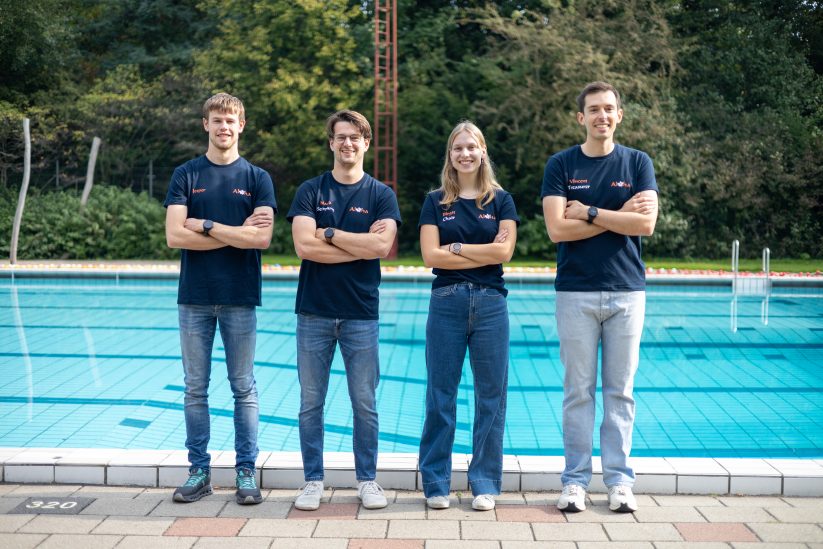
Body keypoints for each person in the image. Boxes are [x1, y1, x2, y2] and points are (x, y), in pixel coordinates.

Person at [541, 81, 658, 513]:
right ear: (581, 117)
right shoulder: (561, 164)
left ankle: (619, 482)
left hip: (627, 292)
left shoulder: (638, 162)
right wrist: (619, 216)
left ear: (619, 115)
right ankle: (574, 482)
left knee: (620, 392)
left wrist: (590, 212)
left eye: (609, 108)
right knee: (578, 392)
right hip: (575, 292)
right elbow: (557, 230)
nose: (601, 116)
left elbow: (645, 225)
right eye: (593, 109)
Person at [286, 109, 401, 511]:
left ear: (366, 143)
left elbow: (381, 247)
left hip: (360, 313)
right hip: (314, 311)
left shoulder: (381, 195)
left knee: (364, 403)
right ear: (331, 143)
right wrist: (359, 245)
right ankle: (312, 481)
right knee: (310, 403)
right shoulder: (310, 190)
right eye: (341, 137)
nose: (348, 143)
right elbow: (304, 246)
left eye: (355, 137)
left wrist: (331, 233)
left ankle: (367, 480)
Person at [164, 92, 276, 505]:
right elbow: (175, 235)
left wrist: (207, 226)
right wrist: (237, 233)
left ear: (241, 125)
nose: (224, 127)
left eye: (231, 120)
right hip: (194, 297)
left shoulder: (257, 178)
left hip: (239, 296)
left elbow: (261, 239)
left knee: (243, 387)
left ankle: (246, 471)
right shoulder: (186, 174)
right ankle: (199, 472)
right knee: (196, 389)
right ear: (206, 125)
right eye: (217, 120)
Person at [418, 121, 519, 511]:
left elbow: (504, 253)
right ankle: (436, 483)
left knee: (491, 396)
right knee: (440, 395)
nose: (465, 154)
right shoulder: (435, 201)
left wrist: (456, 248)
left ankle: (485, 483)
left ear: (482, 151)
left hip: (491, 303)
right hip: (446, 302)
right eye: (458, 148)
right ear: (450, 154)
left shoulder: (501, 200)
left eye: (471, 147)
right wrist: (481, 250)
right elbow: (430, 256)